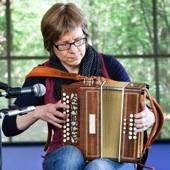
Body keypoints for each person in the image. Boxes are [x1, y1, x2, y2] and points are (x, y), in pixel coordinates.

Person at [2, 3, 155, 170]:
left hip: (116, 154)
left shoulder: (109, 65)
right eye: (64, 44)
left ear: (85, 35)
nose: (74, 50)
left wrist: (149, 116)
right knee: (70, 156)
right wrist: (38, 111)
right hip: (63, 153)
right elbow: (9, 127)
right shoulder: (43, 75)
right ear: (50, 45)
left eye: (78, 40)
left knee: (99, 166)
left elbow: (140, 105)